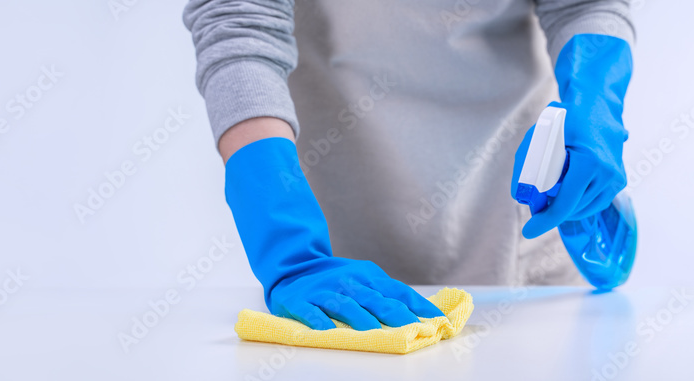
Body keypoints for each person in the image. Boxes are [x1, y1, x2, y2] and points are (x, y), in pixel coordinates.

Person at [183, 0, 634, 330]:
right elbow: (239, 31)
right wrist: (287, 242)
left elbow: (585, 4)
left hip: (515, 228)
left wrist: (595, 101)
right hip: (337, 237)